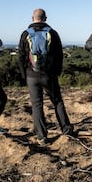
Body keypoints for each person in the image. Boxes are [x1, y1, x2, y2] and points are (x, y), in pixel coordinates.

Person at [18, 8, 73, 146]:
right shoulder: (53, 33)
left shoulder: (25, 34)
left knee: (37, 105)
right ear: (45, 18)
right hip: (49, 75)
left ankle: (42, 137)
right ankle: (66, 129)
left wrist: (24, 74)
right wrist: (57, 71)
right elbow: (59, 55)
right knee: (57, 102)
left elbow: (20, 57)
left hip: (31, 75)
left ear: (33, 18)